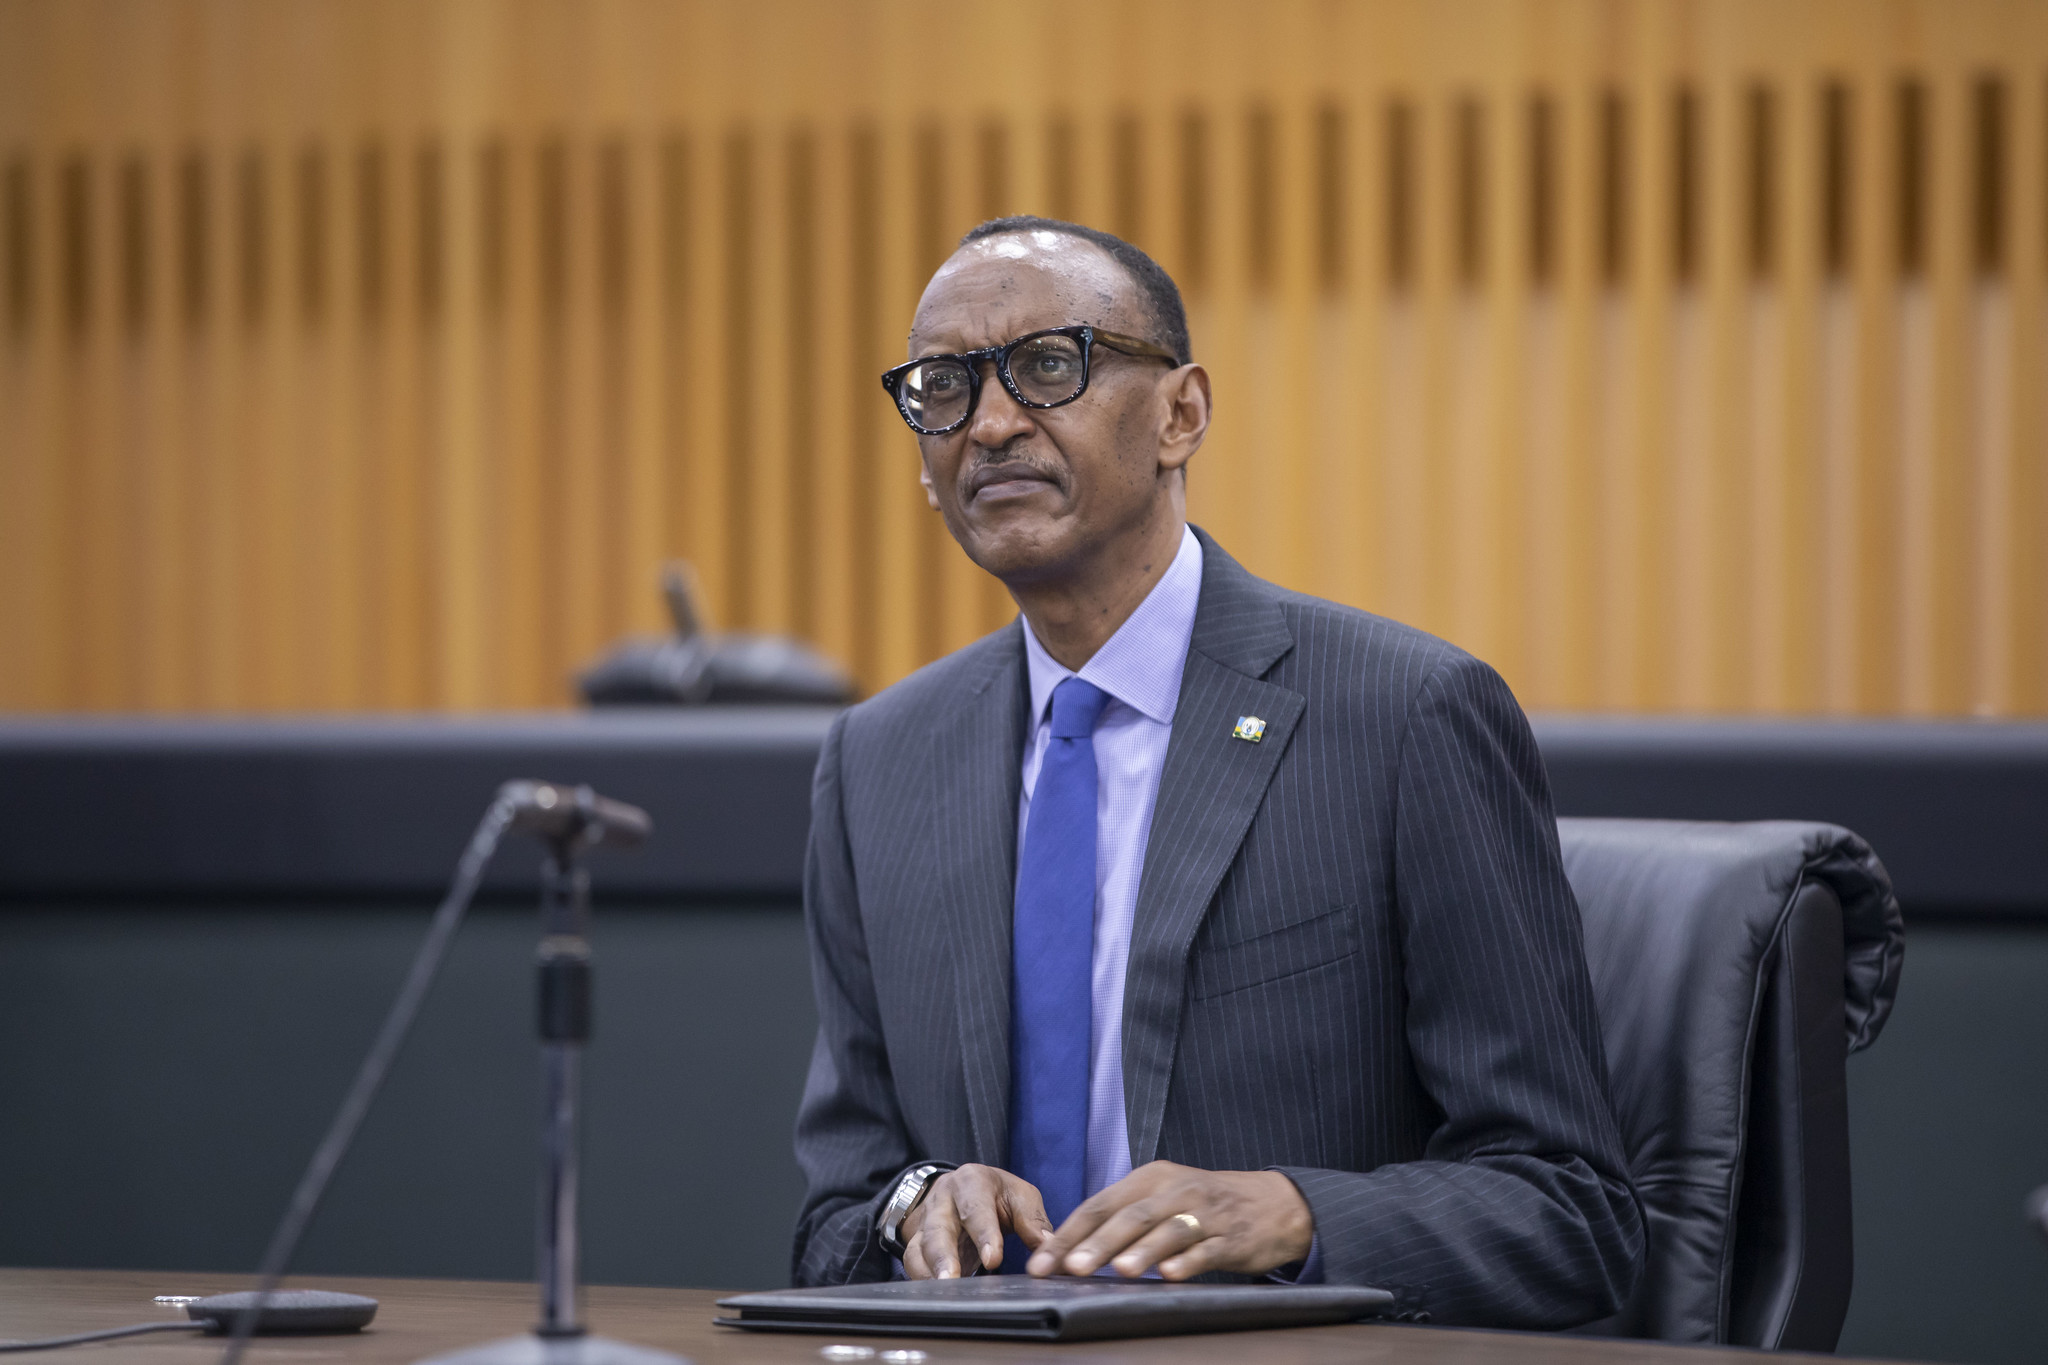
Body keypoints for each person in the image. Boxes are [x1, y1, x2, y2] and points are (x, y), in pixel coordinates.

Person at [790, 215, 1644, 1327]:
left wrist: (1296, 1214)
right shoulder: (881, 761)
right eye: (944, 388)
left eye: (1047, 366)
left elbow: (1572, 1212)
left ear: (1179, 415)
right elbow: (835, 1214)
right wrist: (915, 1204)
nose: (990, 423)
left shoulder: (1402, 718)